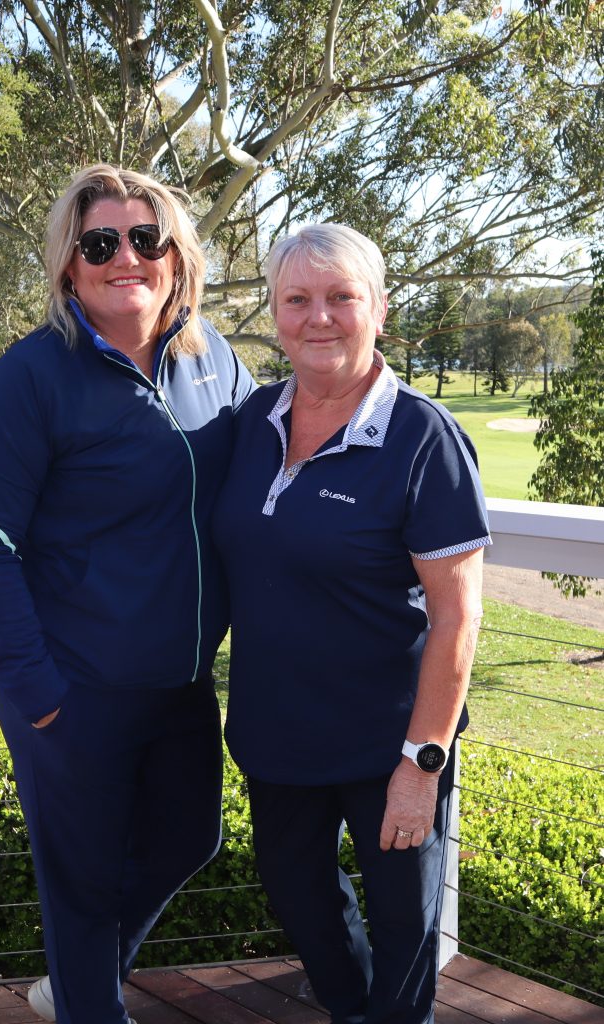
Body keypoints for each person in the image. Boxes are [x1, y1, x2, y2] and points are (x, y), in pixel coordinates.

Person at [0, 164, 254, 1024]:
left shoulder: (213, 358)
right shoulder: (29, 380)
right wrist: (37, 689)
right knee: (81, 885)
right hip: (72, 686)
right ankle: (89, 999)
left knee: (191, 839)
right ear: (69, 265)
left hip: (179, 679)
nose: (127, 257)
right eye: (100, 244)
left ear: (176, 255)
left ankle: (77, 985)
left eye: (146, 238)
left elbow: (272, 461)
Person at [213, 224, 490, 1024]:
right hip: (277, 737)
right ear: (275, 313)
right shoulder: (253, 421)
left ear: (380, 309)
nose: (319, 317)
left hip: (388, 745)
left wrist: (422, 763)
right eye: (297, 299)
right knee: (299, 897)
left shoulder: (422, 437)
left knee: (404, 933)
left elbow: (458, 615)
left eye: (342, 297)